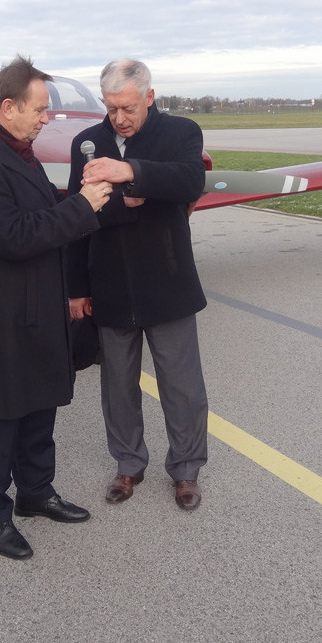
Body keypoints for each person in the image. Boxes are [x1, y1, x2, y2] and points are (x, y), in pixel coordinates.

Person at [0, 55, 113, 560]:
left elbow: (40, 212)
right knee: (1, 416)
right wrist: (82, 205)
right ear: (8, 107)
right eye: (39, 109)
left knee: (41, 407)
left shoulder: (19, 153)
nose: (47, 118)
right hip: (1, 316)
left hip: (39, 306)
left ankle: (36, 493)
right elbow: (16, 236)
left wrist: (83, 198)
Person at [67, 58, 210, 511]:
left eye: (127, 108)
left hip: (167, 282)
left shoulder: (181, 133)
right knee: (118, 387)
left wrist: (129, 172)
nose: (119, 118)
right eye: (111, 108)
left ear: (149, 97)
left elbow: (190, 180)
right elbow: (76, 215)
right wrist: (76, 288)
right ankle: (128, 464)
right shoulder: (87, 143)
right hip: (109, 284)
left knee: (182, 387)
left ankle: (186, 470)